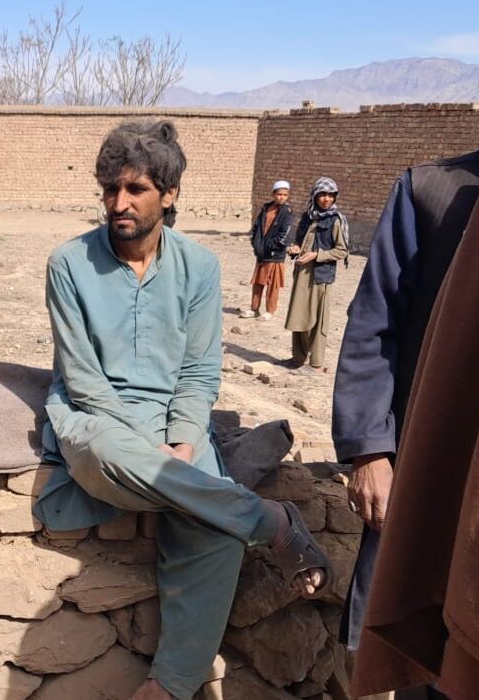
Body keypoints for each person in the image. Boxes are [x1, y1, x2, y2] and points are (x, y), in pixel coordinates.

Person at [33, 119, 330, 700]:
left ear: (168, 195)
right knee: (115, 454)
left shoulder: (200, 267)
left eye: (135, 190)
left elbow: (197, 375)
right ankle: (269, 522)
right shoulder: (68, 263)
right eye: (111, 190)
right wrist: (154, 451)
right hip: (96, 421)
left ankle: (168, 686)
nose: (119, 203)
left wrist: (187, 443)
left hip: (174, 422)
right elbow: (83, 380)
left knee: (215, 529)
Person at [330, 18, 479, 677]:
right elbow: (375, 326)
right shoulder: (433, 193)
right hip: (435, 465)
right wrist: (370, 452)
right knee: (421, 644)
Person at [282, 177, 347, 373]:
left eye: (330, 195)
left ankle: (316, 364)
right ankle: (298, 358)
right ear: (315, 196)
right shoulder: (308, 217)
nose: (327, 199)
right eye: (322, 195)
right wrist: (295, 248)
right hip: (302, 273)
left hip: (320, 277)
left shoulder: (335, 220)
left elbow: (341, 251)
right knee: (299, 315)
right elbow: (300, 241)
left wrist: (317, 255)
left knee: (318, 320)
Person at [239, 180, 293, 321]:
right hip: (262, 252)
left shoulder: (286, 212)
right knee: (258, 282)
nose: (282, 197)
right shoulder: (266, 208)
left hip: (275, 254)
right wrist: (256, 243)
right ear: (273, 194)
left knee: (273, 284)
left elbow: (284, 234)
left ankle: (270, 310)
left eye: (285, 195)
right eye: (279, 194)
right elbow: (257, 227)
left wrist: (271, 246)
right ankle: (254, 308)